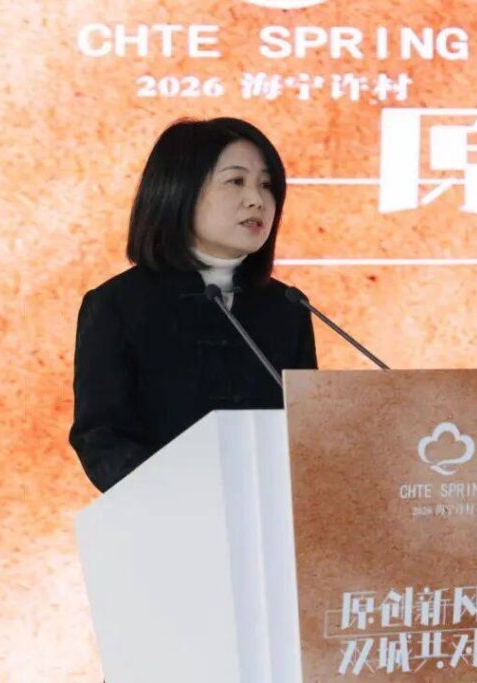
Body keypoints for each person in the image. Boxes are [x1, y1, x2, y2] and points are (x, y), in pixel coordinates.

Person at [69, 117, 318, 492]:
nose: (257, 199)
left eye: (267, 185)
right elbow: (102, 438)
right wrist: (180, 495)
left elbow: (307, 434)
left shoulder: (288, 309)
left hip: (271, 516)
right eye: (236, 181)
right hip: (165, 517)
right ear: (179, 190)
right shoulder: (118, 305)